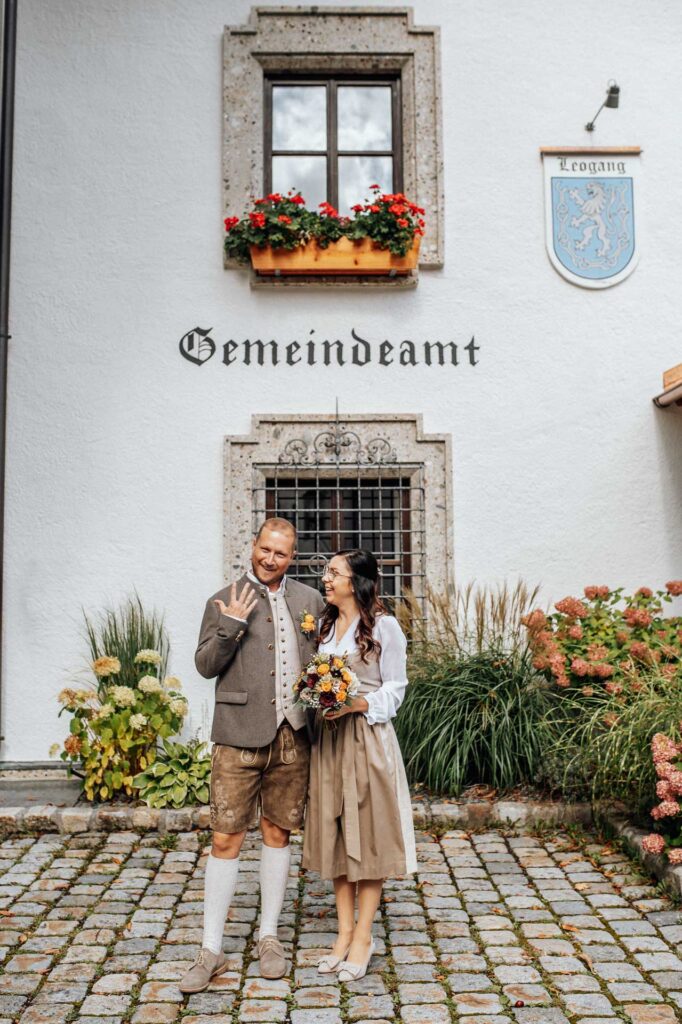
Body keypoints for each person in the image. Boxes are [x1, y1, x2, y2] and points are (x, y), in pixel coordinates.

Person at [179, 518, 325, 994]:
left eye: (280, 554)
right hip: (238, 737)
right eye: (265, 549)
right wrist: (231, 626)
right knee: (225, 840)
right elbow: (205, 667)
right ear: (253, 546)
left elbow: (322, 663)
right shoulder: (223, 599)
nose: (270, 559)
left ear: (292, 557)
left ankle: (268, 937)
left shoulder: (310, 602)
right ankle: (211, 948)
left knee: (278, 834)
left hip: (292, 735)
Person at [302, 548, 417, 982]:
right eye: (326, 573)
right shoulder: (326, 626)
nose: (325, 579)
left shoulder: (384, 626)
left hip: (367, 739)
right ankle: (343, 932)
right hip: (330, 743)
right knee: (335, 835)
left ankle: (364, 935)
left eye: (333, 573)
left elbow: (397, 688)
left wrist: (358, 703)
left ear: (356, 581)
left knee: (368, 835)